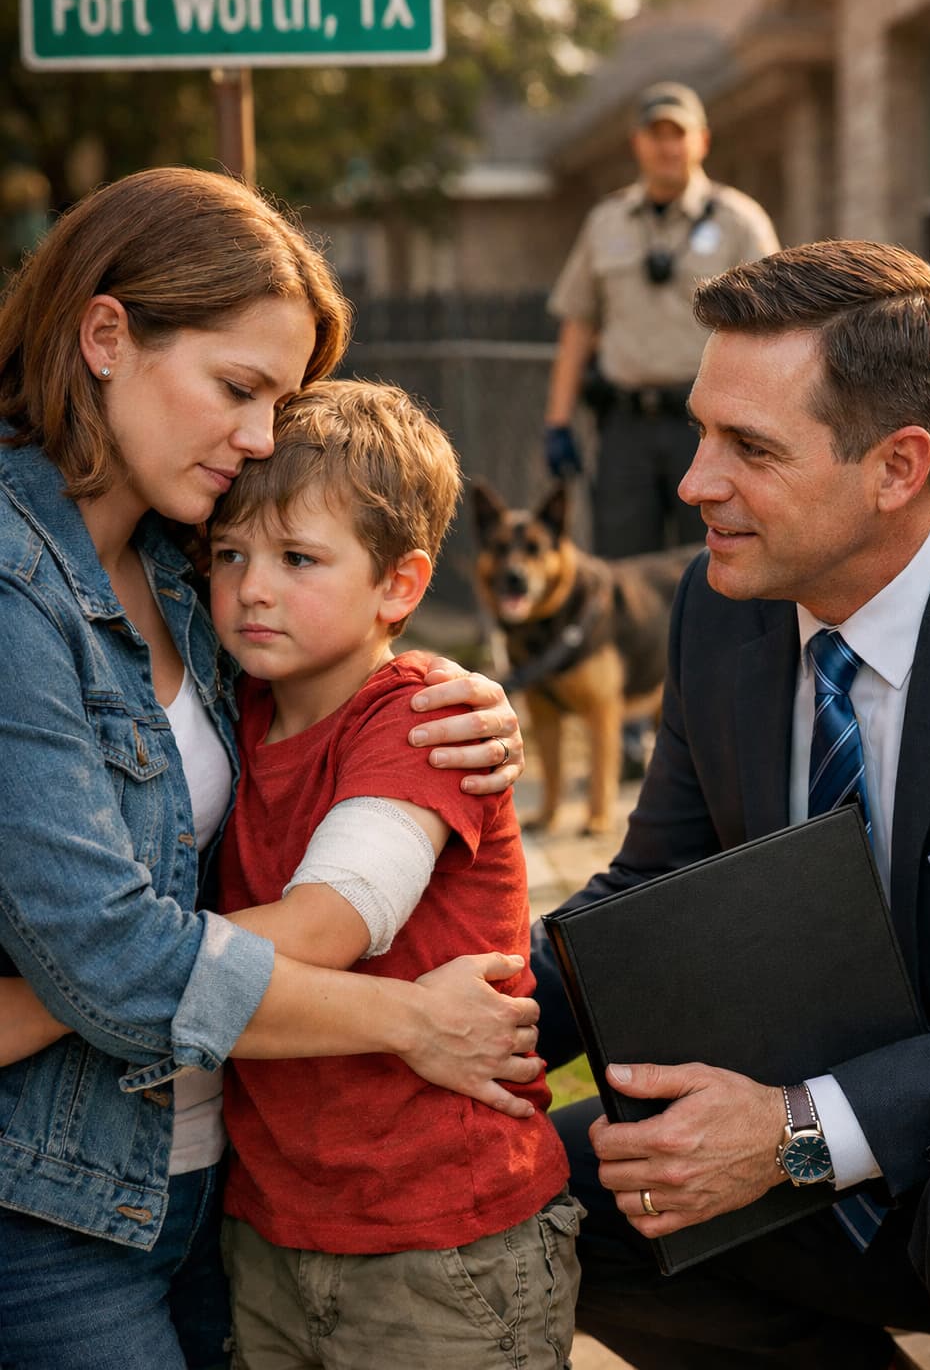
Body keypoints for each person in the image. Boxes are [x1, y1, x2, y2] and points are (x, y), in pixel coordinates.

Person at [0, 167, 538, 1370]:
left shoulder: (185, 566)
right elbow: (114, 958)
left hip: (222, 1192)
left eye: (277, 398)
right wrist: (407, 1019)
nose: (258, 437)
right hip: (47, 1209)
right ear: (105, 336)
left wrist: (457, 704)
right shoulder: (11, 583)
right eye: (236, 388)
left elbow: (333, 673)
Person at [531, 240, 930, 1370]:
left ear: (898, 465)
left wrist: (803, 1132)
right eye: (702, 431)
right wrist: (453, 1027)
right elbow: (655, 891)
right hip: (830, 1141)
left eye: (747, 448)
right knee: (546, 1189)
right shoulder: (724, 604)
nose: (693, 482)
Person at [202, 377, 582, 1367]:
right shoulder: (235, 710)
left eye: (297, 558)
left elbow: (333, 921)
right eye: (229, 554)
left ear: (400, 588)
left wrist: (116, 959)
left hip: (442, 1239)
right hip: (273, 1222)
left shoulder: (418, 720)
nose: (252, 588)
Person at [543, 80, 779, 559]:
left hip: (712, 428)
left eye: (678, 133)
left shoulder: (740, 221)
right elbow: (579, 324)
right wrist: (558, 421)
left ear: (701, 141)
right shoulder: (606, 222)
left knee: (718, 562)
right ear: (638, 143)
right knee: (624, 572)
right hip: (625, 426)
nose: (667, 146)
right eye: (656, 134)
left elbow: (774, 330)